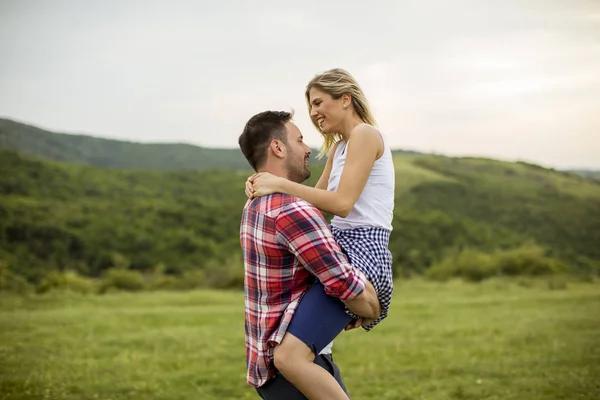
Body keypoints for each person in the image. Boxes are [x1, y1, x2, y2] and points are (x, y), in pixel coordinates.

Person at [245, 68, 395, 400]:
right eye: (310, 106)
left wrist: (279, 183)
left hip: (362, 254)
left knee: (290, 357)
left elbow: (341, 204)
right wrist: (262, 183)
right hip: (339, 247)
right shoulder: (340, 147)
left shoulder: (366, 135)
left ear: (345, 99)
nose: (313, 113)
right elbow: (313, 204)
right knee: (296, 352)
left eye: (318, 102)